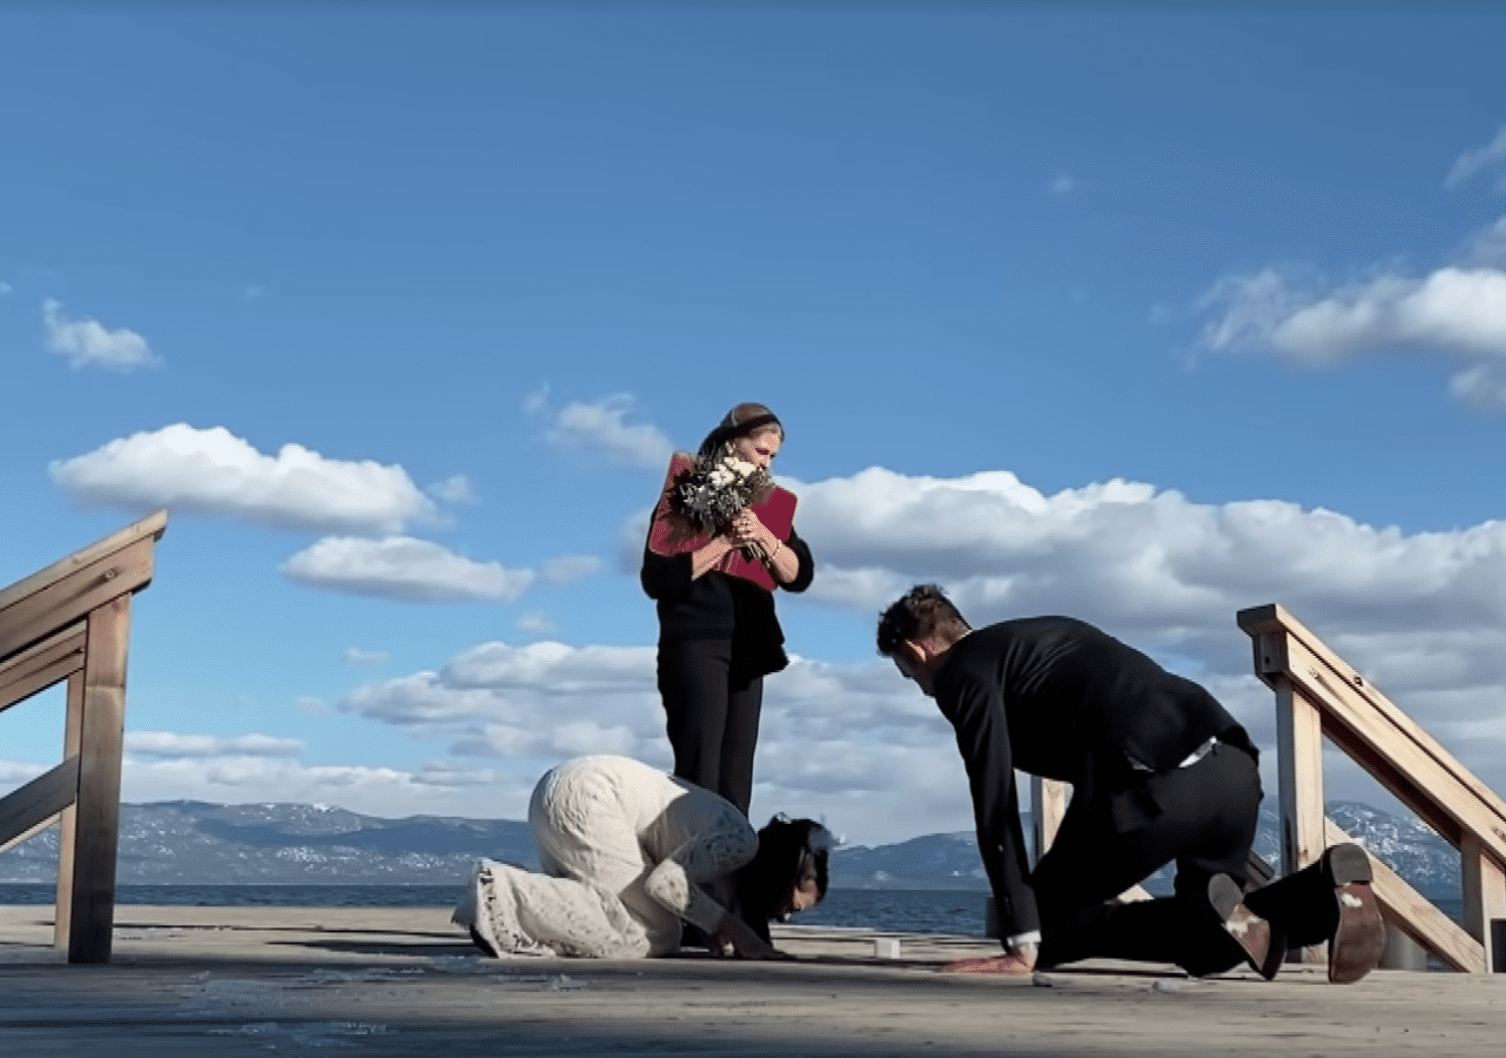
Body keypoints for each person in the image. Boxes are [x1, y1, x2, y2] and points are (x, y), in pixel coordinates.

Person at [876, 584, 1385, 982]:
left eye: (910, 676)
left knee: (1048, 928)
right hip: (1231, 769)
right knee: (1210, 946)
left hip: (1151, 785)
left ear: (918, 651)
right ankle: (1321, 893)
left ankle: (1049, 933)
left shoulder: (964, 670)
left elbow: (994, 803)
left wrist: (1022, 932)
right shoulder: (1046, 632)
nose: (922, 691)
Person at [451, 755, 832, 960]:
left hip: (564, 789)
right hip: (590, 797)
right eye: (791, 907)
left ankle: (505, 908)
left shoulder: (731, 846)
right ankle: (502, 893)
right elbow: (665, 883)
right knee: (659, 933)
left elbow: (670, 876)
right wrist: (739, 933)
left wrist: (714, 925)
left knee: (622, 913)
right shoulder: (740, 840)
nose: (783, 916)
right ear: (782, 875)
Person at [641, 402, 814, 816]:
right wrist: (723, 543)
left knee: (737, 786)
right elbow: (658, 580)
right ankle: (690, 874)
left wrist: (767, 540)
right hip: (697, 641)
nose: (766, 462)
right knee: (701, 773)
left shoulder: (772, 507)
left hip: (750, 648)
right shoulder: (684, 493)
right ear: (732, 442)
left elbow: (800, 574)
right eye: (760, 450)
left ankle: (730, 874)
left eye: (773, 456)